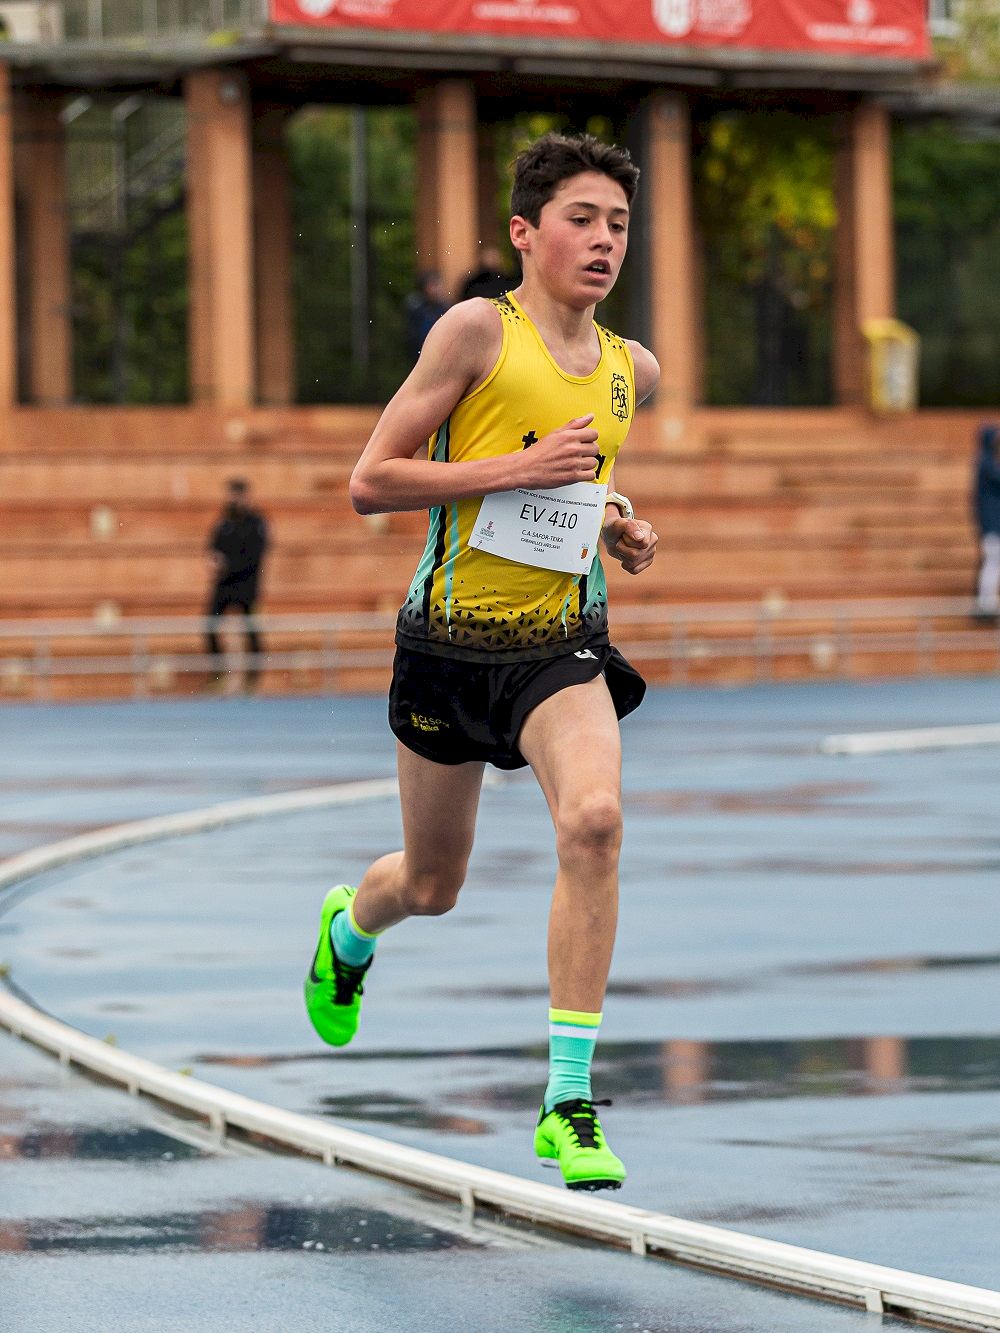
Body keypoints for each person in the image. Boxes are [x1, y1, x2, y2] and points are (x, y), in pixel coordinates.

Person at [305, 132, 659, 1192]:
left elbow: (577, 487)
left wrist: (619, 525)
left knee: (594, 821)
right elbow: (370, 481)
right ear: (525, 232)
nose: (603, 241)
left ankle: (567, 1101)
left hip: (560, 647)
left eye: (618, 224)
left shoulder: (633, 369)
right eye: (582, 219)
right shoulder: (474, 332)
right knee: (431, 883)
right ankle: (349, 930)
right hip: (447, 646)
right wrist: (514, 467)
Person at [205, 478, 269, 690]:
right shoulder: (223, 523)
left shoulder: (257, 523)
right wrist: (213, 561)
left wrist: (227, 565)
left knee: (252, 632)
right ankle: (218, 673)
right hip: (224, 586)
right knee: (209, 626)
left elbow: (254, 557)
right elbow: (212, 549)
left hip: (247, 586)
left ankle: (252, 679)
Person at [973, 423, 1000, 620]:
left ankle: (986, 603)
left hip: (993, 525)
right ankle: (985, 605)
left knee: (992, 562)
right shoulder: (985, 462)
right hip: (992, 526)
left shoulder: (987, 461)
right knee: (993, 562)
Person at [404, 270, 449, 361]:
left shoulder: (445, 308)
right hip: (419, 353)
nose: (436, 289)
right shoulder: (417, 308)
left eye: (437, 285)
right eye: (432, 285)